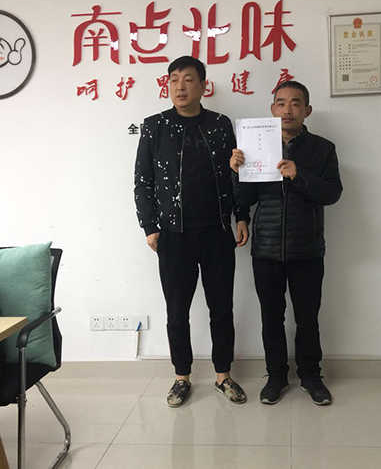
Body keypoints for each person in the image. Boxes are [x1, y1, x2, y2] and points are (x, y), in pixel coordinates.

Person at [134, 55, 249, 407]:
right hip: (173, 235)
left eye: (187, 79)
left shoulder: (220, 124)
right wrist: (150, 226)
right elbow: (143, 181)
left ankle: (223, 374)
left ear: (203, 85)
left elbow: (236, 174)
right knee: (177, 310)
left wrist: (241, 216)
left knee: (222, 308)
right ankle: (181, 376)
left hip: (217, 231)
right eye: (173, 80)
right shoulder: (154, 126)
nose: (179, 87)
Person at [230, 80, 342, 405]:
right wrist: (236, 171)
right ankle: (276, 376)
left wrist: (298, 174)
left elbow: (332, 193)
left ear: (307, 110)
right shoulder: (255, 147)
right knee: (271, 317)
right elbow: (245, 199)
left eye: (295, 103)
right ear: (272, 109)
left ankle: (311, 376)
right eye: (281, 103)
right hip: (265, 248)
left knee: (307, 317)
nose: (288, 109)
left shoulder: (322, 148)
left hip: (307, 248)